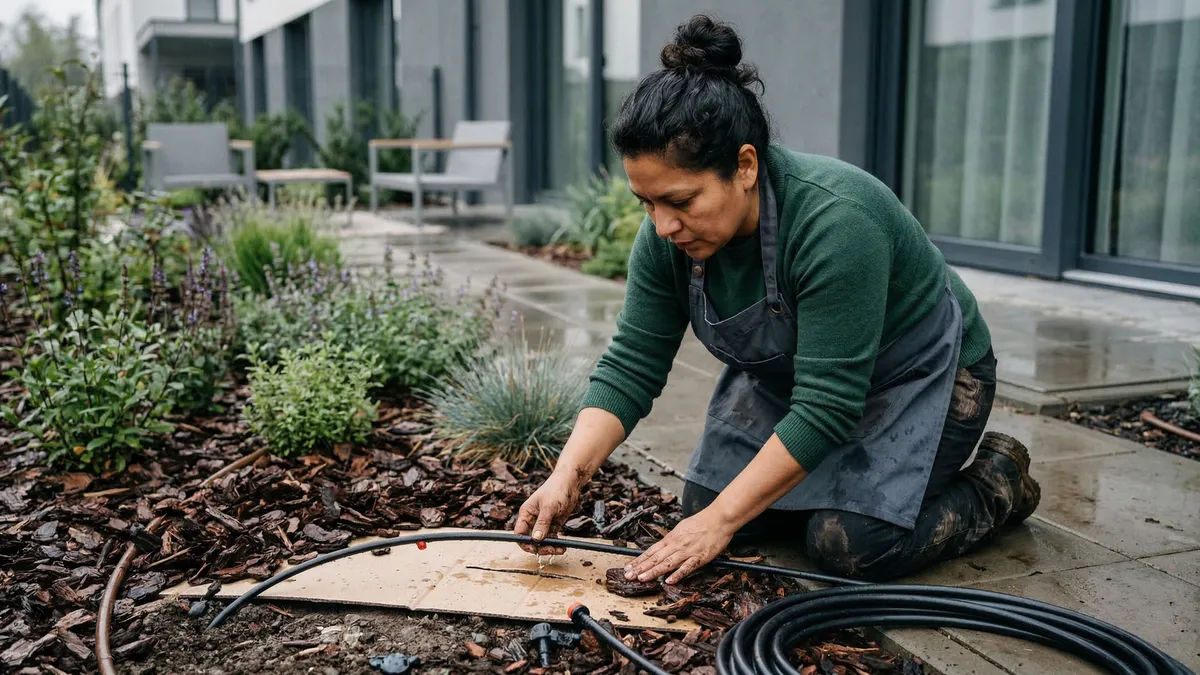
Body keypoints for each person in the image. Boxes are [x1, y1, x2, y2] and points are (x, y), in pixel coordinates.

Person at [513, 14, 1040, 585]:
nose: (662, 225)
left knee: (849, 545)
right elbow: (632, 363)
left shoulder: (837, 221)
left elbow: (828, 405)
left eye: (680, 201)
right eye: (646, 202)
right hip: (802, 380)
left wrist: (719, 522)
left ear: (744, 165)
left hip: (922, 374)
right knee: (708, 507)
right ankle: (834, 487)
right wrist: (567, 473)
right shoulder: (668, 235)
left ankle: (996, 482)